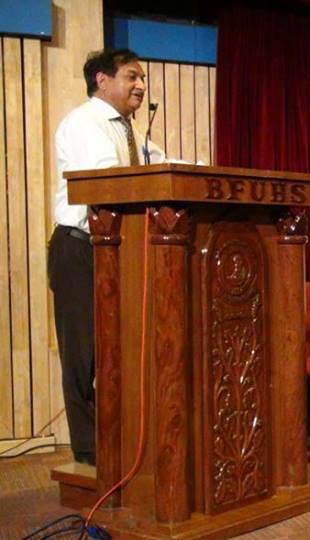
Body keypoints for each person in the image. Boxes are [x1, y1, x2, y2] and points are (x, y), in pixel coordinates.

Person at [49, 48, 165, 466]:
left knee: (121, 350)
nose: (141, 85)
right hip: (80, 248)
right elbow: (109, 182)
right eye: (132, 76)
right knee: (84, 354)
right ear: (102, 80)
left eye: (142, 78)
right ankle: (89, 449)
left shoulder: (129, 131)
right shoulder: (85, 123)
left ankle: (122, 439)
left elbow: (161, 166)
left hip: (118, 250)